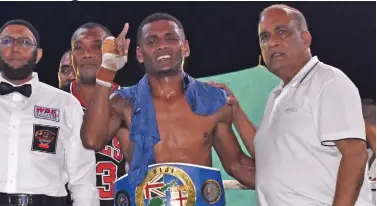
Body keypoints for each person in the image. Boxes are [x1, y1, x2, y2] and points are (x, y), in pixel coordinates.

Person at [81, 13, 255, 205]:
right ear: (139, 54)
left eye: (171, 38)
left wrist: (286, 184)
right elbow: (92, 140)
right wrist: (107, 71)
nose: (162, 45)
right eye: (152, 41)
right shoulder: (124, 102)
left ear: (186, 47)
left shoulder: (212, 101)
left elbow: (236, 164)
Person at [211, 4, 374, 206]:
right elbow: (267, 156)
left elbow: (355, 155)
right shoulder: (277, 94)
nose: (272, 42)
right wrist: (235, 111)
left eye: (282, 32)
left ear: (305, 39)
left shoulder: (327, 81)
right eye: (265, 37)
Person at [0, 19, 99, 206]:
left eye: (25, 42)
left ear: (38, 55)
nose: (16, 48)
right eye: (7, 41)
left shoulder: (65, 103)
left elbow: (83, 180)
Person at [62, 22, 127, 205]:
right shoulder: (54, 103)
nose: (87, 54)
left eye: (97, 47)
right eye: (79, 48)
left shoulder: (128, 101)